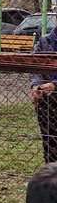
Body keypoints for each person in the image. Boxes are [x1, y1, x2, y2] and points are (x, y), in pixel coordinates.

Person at [29, 25, 57, 163]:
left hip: (52, 88)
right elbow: (35, 66)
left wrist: (55, 85)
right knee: (49, 142)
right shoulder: (44, 41)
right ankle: (51, 172)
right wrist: (36, 86)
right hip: (46, 99)